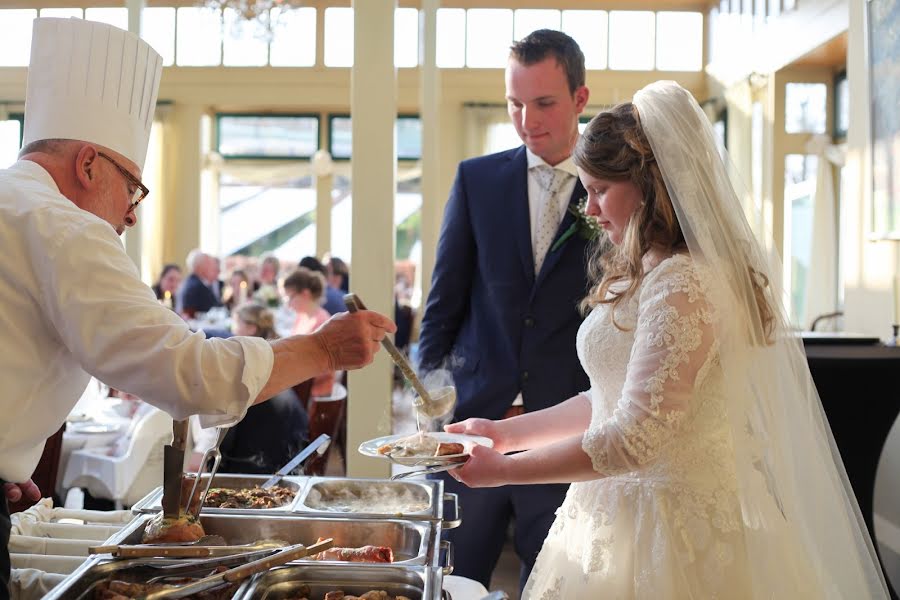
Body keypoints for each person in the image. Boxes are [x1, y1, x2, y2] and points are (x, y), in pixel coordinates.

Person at [445, 81, 889, 598]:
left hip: (669, 534)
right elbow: (607, 399)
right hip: (616, 512)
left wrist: (504, 471)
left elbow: (636, 436)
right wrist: (504, 435)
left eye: (599, 190)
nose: (589, 209)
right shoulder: (652, 270)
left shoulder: (686, 281)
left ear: (649, 184)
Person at [0, 18, 394, 597]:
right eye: (133, 186)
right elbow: (190, 375)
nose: (132, 213)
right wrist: (322, 348)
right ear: (88, 165)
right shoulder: (65, 227)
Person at [416, 29, 592, 589]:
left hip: (565, 433)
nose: (526, 120)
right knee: (449, 579)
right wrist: (430, 399)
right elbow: (443, 305)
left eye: (543, 103)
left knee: (557, 584)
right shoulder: (477, 180)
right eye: (515, 104)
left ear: (580, 99)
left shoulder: (613, 188)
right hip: (472, 423)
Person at [201, 303, 309, 475]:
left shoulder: (247, 365)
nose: (231, 329)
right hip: (293, 452)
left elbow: (225, 433)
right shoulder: (272, 353)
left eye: (236, 323)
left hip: (263, 463)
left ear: (251, 328)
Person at [283, 267, 335, 397]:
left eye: (290, 297)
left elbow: (320, 370)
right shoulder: (302, 317)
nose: (288, 304)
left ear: (305, 294)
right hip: (301, 385)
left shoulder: (322, 323)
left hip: (313, 393)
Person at [177, 249, 222, 317]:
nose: (211, 267)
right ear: (200, 266)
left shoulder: (193, 283)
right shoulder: (195, 286)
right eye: (209, 264)